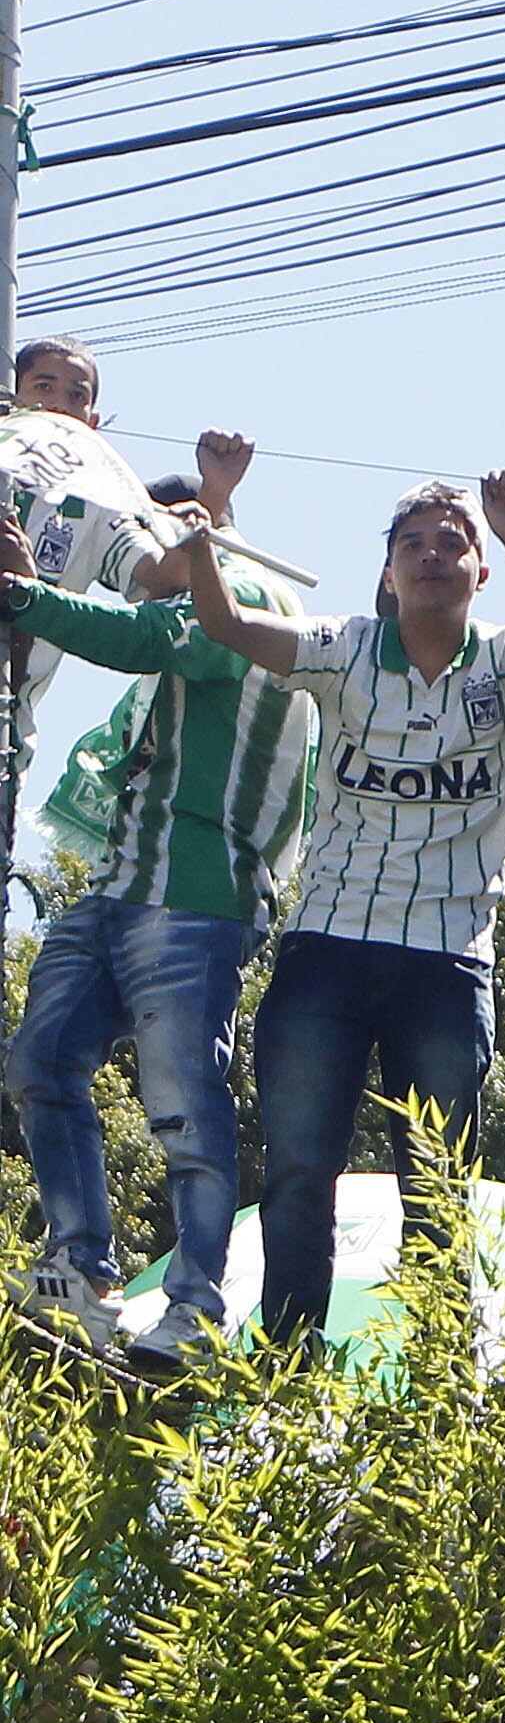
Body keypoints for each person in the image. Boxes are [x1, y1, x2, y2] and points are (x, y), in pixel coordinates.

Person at [182, 475, 505, 1343]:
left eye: (453, 544)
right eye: (413, 545)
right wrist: (204, 544)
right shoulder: (343, 647)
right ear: (387, 571)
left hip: (447, 959)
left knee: (439, 1182)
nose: (433, 557)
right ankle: (284, 1376)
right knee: (297, 1172)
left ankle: (439, 1380)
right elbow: (227, 626)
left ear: (478, 572)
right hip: (325, 947)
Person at [0, 440, 313, 1363]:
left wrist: (20, 593)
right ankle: (78, 1265)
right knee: (43, 1057)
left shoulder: (248, 599)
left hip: (199, 891)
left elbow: (139, 636)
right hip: (127, 883)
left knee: (182, 1101)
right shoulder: (202, 599)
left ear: (183, 542)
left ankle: (194, 1306)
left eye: (137, 560)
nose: (133, 579)